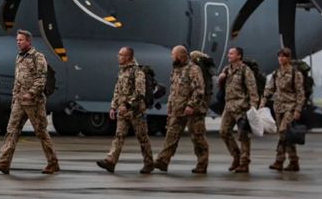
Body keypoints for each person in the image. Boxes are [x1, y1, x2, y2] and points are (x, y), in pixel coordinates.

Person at [0, 30, 59, 174]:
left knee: (41, 132)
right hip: (19, 102)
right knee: (11, 130)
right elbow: (18, 81)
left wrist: (31, 93)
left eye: (21, 40)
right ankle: (4, 162)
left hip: (34, 102)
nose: (18, 42)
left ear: (29, 41)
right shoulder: (19, 57)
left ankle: (53, 163)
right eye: (17, 40)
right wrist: (14, 98)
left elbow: (41, 79)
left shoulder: (38, 57)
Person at [97, 47, 153, 174]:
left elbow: (140, 93)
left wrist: (127, 105)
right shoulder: (122, 72)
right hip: (123, 111)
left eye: (121, 55)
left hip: (136, 111)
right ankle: (111, 161)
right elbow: (117, 90)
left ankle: (149, 163)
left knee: (142, 137)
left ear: (128, 57)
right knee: (119, 136)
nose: (118, 57)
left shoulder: (137, 72)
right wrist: (113, 107)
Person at [153, 46, 209, 174]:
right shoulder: (176, 70)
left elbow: (199, 90)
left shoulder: (193, 69)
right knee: (171, 135)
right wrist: (170, 107)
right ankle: (163, 161)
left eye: (173, 54)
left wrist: (191, 105)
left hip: (193, 111)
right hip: (177, 110)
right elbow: (174, 92)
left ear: (180, 55)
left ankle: (202, 164)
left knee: (197, 137)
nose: (172, 57)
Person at [262, 48, 304, 172]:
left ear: (289, 58)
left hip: (290, 107)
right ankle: (294, 161)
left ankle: (279, 160)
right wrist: (264, 99)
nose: (281, 58)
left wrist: (298, 110)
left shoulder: (295, 74)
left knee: (283, 132)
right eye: (280, 56)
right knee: (286, 135)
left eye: (284, 56)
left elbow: (300, 93)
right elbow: (270, 88)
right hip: (279, 107)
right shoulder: (276, 73)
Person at [217, 47, 258, 173]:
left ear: (239, 56)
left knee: (243, 136)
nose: (228, 55)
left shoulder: (246, 70)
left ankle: (244, 163)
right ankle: (236, 156)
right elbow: (221, 86)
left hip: (242, 107)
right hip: (229, 107)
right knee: (224, 131)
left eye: (231, 53)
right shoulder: (226, 69)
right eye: (229, 53)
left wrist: (253, 107)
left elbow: (252, 90)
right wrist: (221, 78)